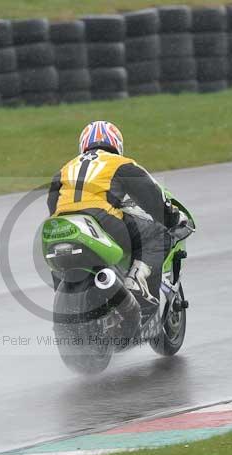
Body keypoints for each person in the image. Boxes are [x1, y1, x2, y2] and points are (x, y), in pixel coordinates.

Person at [47, 120, 179, 314]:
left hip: (61, 227)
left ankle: (68, 304)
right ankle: (137, 286)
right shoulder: (119, 163)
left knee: (58, 259)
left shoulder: (64, 169)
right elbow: (151, 196)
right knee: (158, 234)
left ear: (83, 145)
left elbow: (53, 205)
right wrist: (170, 218)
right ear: (117, 144)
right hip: (100, 219)